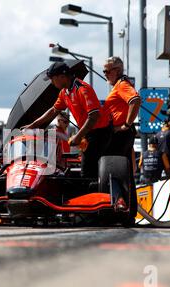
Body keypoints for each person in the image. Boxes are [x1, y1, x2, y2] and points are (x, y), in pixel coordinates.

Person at [22, 62, 112, 178]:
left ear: (62, 77)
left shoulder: (82, 89)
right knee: (88, 170)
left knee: (88, 171)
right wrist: (33, 125)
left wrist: (78, 136)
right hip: (90, 132)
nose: (51, 82)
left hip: (101, 132)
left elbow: (94, 116)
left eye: (52, 79)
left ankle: (94, 193)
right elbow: (53, 111)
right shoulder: (64, 92)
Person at [103, 56, 142, 225]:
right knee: (122, 173)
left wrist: (126, 124)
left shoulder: (122, 85)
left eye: (107, 71)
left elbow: (135, 100)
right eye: (103, 71)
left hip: (121, 133)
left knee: (115, 171)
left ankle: (122, 208)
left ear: (117, 71)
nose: (105, 74)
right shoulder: (117, 86)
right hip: (119, 133)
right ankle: (127, 211)